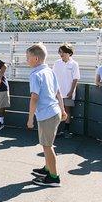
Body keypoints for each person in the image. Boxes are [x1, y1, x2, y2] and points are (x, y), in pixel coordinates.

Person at [27, 43, 67, 187]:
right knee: (46, 145)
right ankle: (47, 168)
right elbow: (58, 93)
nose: (26, 60)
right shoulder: (50, 71)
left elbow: (34, 97)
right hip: (54, 111)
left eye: (28, 57)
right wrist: (62, 110)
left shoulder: (35, 74)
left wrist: (30, 118)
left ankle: (54, 177)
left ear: (36, 59)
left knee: (47, 146)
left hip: (46, 114)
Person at [52, 43, 80, 138]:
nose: (61, 54)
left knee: (67, 110)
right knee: (58, 110)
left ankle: (66, 131)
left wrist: (71, 92)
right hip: (57, 93)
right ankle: (56, 131)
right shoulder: (57, 63)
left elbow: (76, 79)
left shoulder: (74, 64)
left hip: (69, 93)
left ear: (69, 53)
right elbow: (53, 77)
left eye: (63, 52)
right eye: (60, 52)